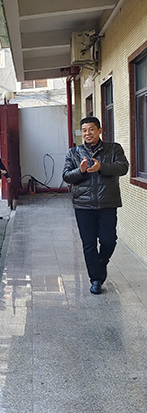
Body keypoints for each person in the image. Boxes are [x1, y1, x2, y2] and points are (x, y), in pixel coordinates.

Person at [62, 116, 129, 294]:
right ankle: (96, 279)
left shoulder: (113, 149)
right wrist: (81, 171)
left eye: (91, 129)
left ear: (99, 130)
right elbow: (67, 176)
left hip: (107, 203)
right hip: (83, 205)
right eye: (84, 130)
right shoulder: (73, 153)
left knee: (108, 240)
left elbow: (123, 168)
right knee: (89, 244)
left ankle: (101, 263)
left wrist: (102, 167)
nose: (87, 133)